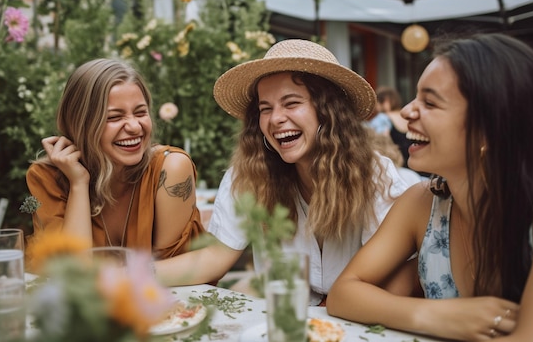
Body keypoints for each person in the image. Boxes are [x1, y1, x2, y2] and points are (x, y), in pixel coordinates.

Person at [327, 33, 533, 341]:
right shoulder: (423, 202)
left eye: (430, 102)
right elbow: (343, 294)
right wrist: (436, 316)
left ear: (489, 128)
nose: (407, 111)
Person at [155, 39, 411, 305]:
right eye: (265, 108)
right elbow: (212, 258)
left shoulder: (374, 174)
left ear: (328, 112)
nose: (275, 118)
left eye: (291, 103)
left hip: (359, 323)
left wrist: (337, 308)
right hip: (284, 323)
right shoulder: (248, 174)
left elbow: (404, 268)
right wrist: (129, 274)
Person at [26, 58, 205, 260]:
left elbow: (172, 273)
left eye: (140, 113)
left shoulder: (170, 169)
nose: (135, 127)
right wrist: (78, 183)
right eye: (114, 117)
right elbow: (75, 273)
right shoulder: (47, 178)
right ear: (80, 124)